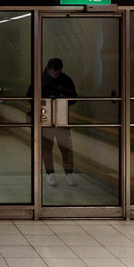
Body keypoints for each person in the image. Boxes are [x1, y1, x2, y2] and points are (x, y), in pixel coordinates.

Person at [37, 57, 78, 187]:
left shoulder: (66, 80)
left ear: (61, 70)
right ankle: (50, 173)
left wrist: (64, 98)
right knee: (46, 147)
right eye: (52, 72)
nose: (54, 75)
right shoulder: (40, 80)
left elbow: (74, 98)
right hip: (45, 116)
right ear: (48, 69)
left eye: (57, 72)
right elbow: (31, 96)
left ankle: (68, 173)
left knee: (66, 147)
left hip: (61, 117)